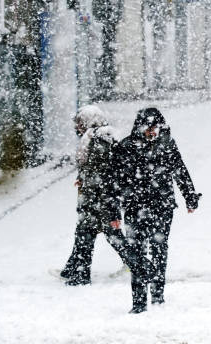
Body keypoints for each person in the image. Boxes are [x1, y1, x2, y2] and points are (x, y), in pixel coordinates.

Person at [117, 107, 201, 313]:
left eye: (155, 126)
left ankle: (157, 295)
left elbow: (180, 171)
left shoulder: (167, 144)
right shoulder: (127, 146)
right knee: (136, 251)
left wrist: (190, 197)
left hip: (162, 207)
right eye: (148, 127)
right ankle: (138, 301)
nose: (151, 131)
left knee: (159, 249)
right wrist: (116, 202)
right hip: (134, 208)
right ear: (140, 126)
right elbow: (115, 178)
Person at [60, 105, 153, 287]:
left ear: (89, 121)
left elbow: (105, 173)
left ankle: (142, 267)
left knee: (109, 236)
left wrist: (104, 199)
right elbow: (94, 169)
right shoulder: (94, 138)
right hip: (95, 198)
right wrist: (83, 179)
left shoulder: (98, 140)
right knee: (85, 234)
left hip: (100, 200)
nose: (77, 127)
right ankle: (75, 271)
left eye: (79, 122)